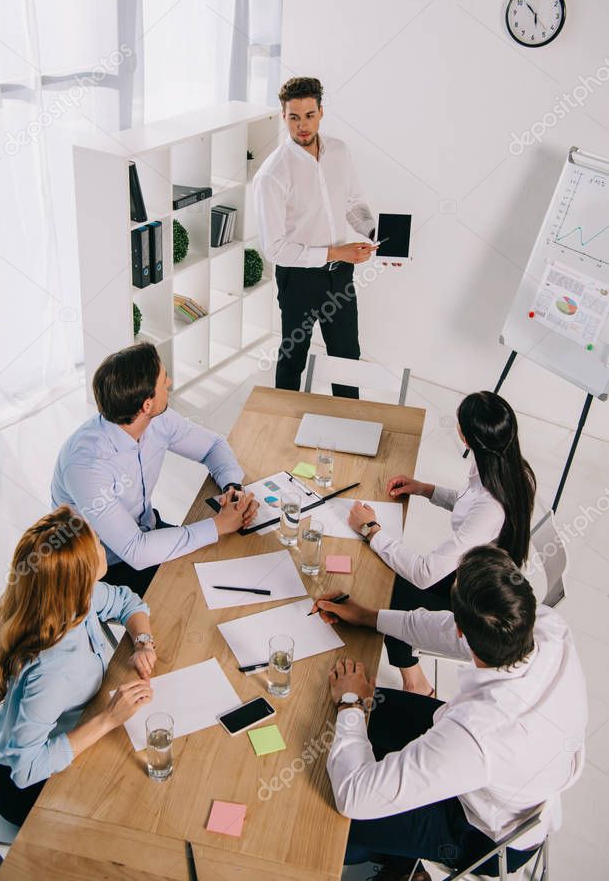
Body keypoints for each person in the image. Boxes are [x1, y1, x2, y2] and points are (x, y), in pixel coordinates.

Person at [314, 545, 587, 881]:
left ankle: (398, 867)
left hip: (480, 835)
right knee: (370, 710)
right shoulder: (546, 625)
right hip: (506, 782)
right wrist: (370, 617)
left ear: (463, 631)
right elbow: (448, 628)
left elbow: (352, 796)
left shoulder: (478, 733)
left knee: (324, 808)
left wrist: (351, 701)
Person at [0, 506, 156, 826]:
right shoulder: (52, 671)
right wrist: (107, 719)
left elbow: (127, 601)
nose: (102, 544)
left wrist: (143, 642)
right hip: (21, 788)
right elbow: (26, 770)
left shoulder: (67, 596)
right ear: (80, 575)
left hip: (45, 733)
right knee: (133, 800)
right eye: (97, 543)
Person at [348, 391, 535, 696]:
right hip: (485, 573)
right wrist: (425, 489)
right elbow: (468, 504)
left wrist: (371, 530)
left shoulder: (490, 505)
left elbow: (425, 573)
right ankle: (413, 676)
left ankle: (417, 684)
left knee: (394, 588)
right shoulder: (510, 468)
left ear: (466, 439)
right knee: (392, 572)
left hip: (476, 603)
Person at [51, 342, 258, 596]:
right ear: (146, 405)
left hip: (146, 531)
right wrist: (218, 525)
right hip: (106, 568)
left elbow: (212, 446)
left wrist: (232, 486)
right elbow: (135, 551)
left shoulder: (156, 418)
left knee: (230, 560)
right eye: (163, 381)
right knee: (201, 594)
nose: (169, 382)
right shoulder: (86, 465)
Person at [254, 76, 378, 397]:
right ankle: (284, 424)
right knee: (293, 357)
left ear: (321, 112)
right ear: (284, 116)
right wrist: (338, 253)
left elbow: (353, 203)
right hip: (298, 282)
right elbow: (275, 248)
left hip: (340, 277)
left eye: (309, 115)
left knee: (347, 358)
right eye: (294, 117)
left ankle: (347, 425)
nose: (302, 125)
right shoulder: (272, 174)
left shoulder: (339, 151)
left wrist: (376, 236)